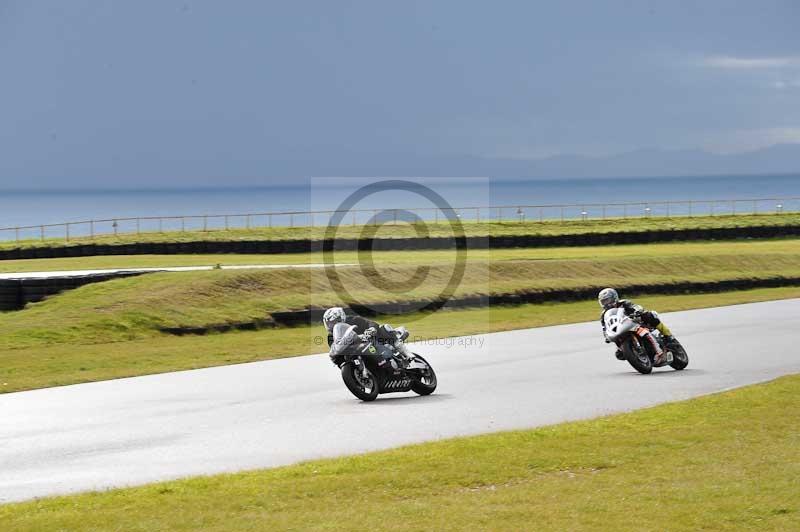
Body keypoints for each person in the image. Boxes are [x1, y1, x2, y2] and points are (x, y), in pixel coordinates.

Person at [598, 288, 674, 364]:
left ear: (614, 298)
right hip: (620, 329)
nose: (606, 304)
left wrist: (638, 311)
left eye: (607, 300)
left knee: (650, 316)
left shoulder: (624, 303)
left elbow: (636, 307)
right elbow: (604, 327)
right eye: (603, 302)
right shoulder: (604, 314)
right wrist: (606, 335)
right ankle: (635, 353)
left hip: (634, 321)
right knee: (619, 354)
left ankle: (668, 335)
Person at [322, 307, 413, 369]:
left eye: (334, 322)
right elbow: (336, 350)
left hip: (371, 341)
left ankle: (407, 353)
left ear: (341, 318)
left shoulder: (352, 320)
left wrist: (371, 329)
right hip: (355, 352)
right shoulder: (331, 337)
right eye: (329, 323)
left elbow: (370, 323)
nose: (331, 325)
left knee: (384, 328)